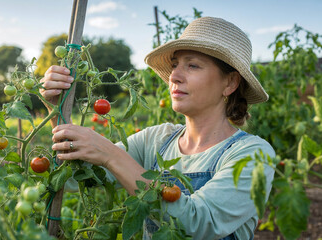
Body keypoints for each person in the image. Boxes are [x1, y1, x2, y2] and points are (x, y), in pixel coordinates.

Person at [40, 16, 275, 240]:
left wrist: (110, 154)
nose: (174, 76)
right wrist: (58, 110)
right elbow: (77, 178)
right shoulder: (157, 139)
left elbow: (198, 224)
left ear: (230, 83)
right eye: (175, 65)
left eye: (193, 66)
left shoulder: (252, 154)